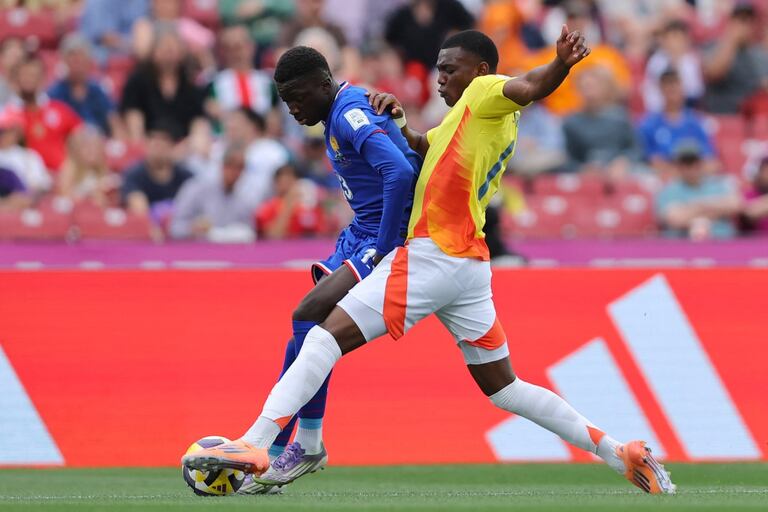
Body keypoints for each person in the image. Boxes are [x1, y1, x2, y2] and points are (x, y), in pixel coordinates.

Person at [183, 29, 676, 496]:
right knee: (504, 388)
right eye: (438, 70)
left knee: (321, 338)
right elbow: (423, 151)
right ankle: (618, 452)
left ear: (479, 69)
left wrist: (559, 66)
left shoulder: (486, 91)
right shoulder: (467, 117)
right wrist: (399, 122)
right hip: (468, 266)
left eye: (449, 69)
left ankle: (256, 442)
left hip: (431, 254)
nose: (439, 78)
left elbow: (526, 86)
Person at [228, 46, 420, 495]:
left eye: (298, 96)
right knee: (304, 327)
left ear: (323, 81)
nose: (293, 109)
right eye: (285, 101)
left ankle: (294, 445)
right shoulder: (338, 113)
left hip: (381, 236)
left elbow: (399, 173)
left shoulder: (349, 112)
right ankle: (280, 452)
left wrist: (386, 245)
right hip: (361, 232)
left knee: (307, 316)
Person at [5, 54, 82, 173]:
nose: (30, 79)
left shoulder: (59, 109)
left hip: (62, 177)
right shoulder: (7, 116)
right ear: (16, 78)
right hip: (27, 181)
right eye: (25, 74)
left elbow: (81, 137)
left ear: (43, 78)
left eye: (34, 75)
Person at [169, 143, 261, 241]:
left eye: (240, 167)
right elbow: (175, 227)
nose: (235, 172)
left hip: (233, 252)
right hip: (199, 252)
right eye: (230, 165)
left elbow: (250, 232)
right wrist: (192, 229)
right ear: (222, 166)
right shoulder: (196, 189)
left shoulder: (246, 198)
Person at [638, 69, 717, 177]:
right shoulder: (648, 125)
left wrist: (692, 174)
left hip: (697, 179)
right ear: (661, 89)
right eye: (668, 86)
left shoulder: (697, 123)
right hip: (666, 181)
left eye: (675, 85)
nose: (672, 91)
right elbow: (651, 161)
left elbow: (710, 160)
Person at [655, 145, 741, 240]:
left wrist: (693, 208)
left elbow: (736, 205)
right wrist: (717, 208)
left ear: (701, 163)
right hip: (682, 246)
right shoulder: (668, 191)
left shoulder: (718, 184)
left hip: (723, 243)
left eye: (694, 162)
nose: (691, 167)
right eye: (686, 163)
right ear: (678, 166)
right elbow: (675, 219)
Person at [47, 33, 124, 138]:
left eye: (81, 56)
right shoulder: (55, 94)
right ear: (64, 60)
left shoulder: (98, 91)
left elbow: (114, 123)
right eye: (72, 56)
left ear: (88, 60)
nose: (77, 61)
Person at [120, 121, 193, 220]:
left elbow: (194, 209)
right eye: (153, 143)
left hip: (179, 230)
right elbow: (139, 209)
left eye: (162, 144)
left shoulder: (186, 177)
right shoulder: (133, 175)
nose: (157, 150)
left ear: (172, 147)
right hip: (148, 231)